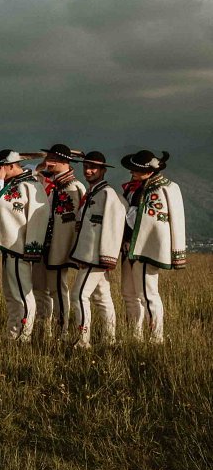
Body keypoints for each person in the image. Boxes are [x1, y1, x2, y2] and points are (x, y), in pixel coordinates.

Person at [0, 150, 51, 342]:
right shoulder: (20, 184)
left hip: (19, 248)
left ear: (10, 166)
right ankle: (13, 332)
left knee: (22, 293)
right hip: (12, 248)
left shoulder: (26, 186)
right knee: (11, 293)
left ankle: (24, 333)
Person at [121, 150, 186, 344]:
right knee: (129, 294)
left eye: (136, 169)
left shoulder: (164, 188)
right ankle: (135, 336)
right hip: (129, 248)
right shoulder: (133, 188)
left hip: (146, 249)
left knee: (148, 294)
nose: (132, 172)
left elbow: (155, 220)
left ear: (149, 171)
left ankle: (156, 338)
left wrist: (125, 210)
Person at [69, 152, 125, 348]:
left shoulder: (108, 194)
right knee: (102, 298)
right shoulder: (93, 192)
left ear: (103, 170)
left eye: (93, 167)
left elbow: (114, 226)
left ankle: (83, 340)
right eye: (86, 167)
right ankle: (109, 340)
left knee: (78, 295)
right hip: (88, 254)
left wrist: (107, 257)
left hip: (95, 257)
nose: (88, 171)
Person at [35, 144, 87, 340]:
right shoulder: (51, 185)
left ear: (64, 161)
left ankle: (62, 331)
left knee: (58, 288)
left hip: (60, 245)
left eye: (52, 159)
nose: (48, 163)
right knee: (40, 288)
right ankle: (43, 329)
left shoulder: (75, 187)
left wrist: (74, 248)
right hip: (45, 244)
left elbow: (78, 222)